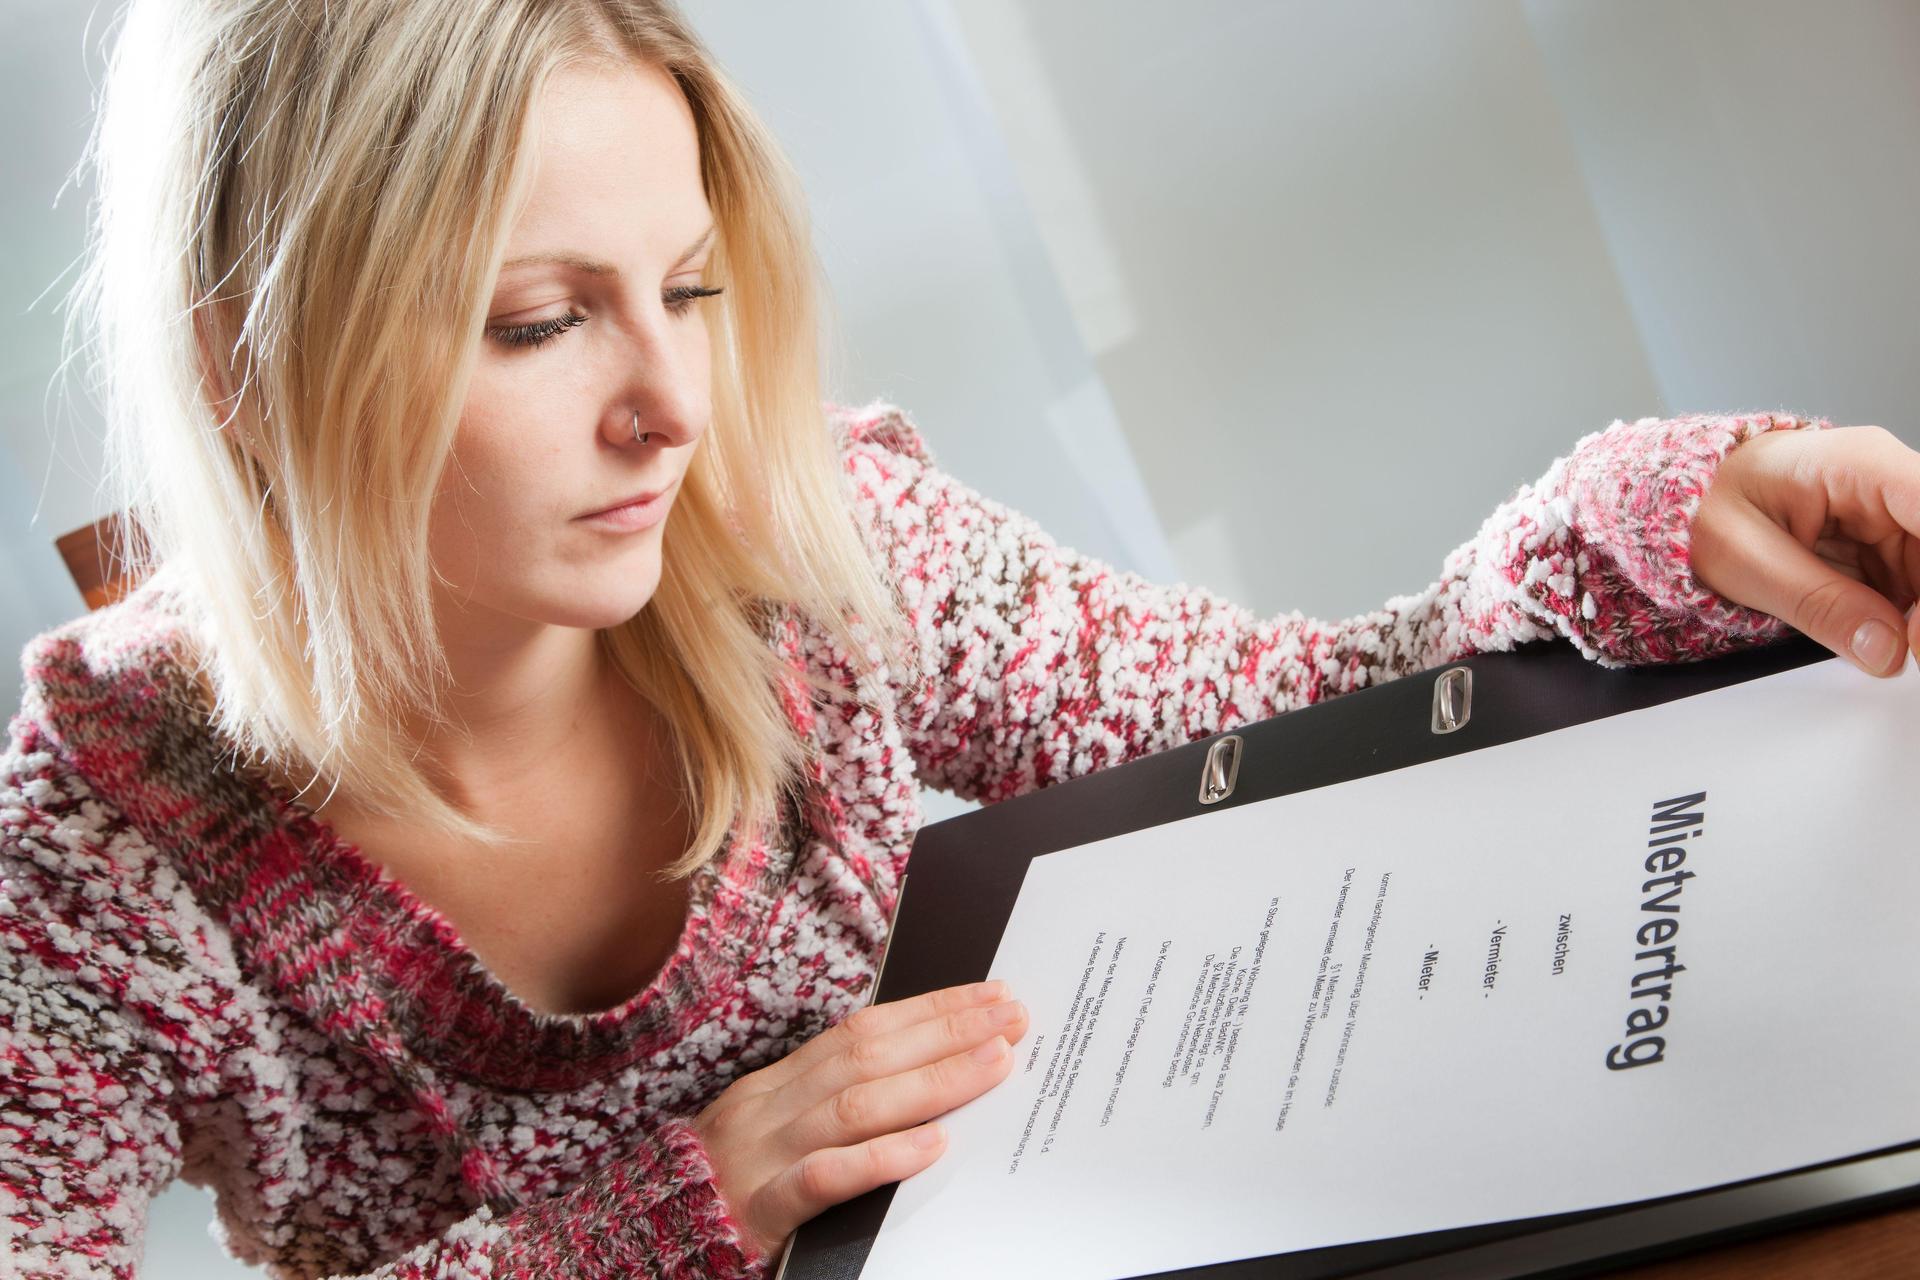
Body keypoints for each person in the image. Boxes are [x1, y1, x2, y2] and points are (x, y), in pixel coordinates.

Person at [4, 1, 1918, 1277]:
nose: (673, 406)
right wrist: (696, 1200)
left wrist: (1673, 512)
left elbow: (1312, 705)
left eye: (686, 287)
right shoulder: (94, 862)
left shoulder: (798, 534)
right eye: (536, 323)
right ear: (246, 375)